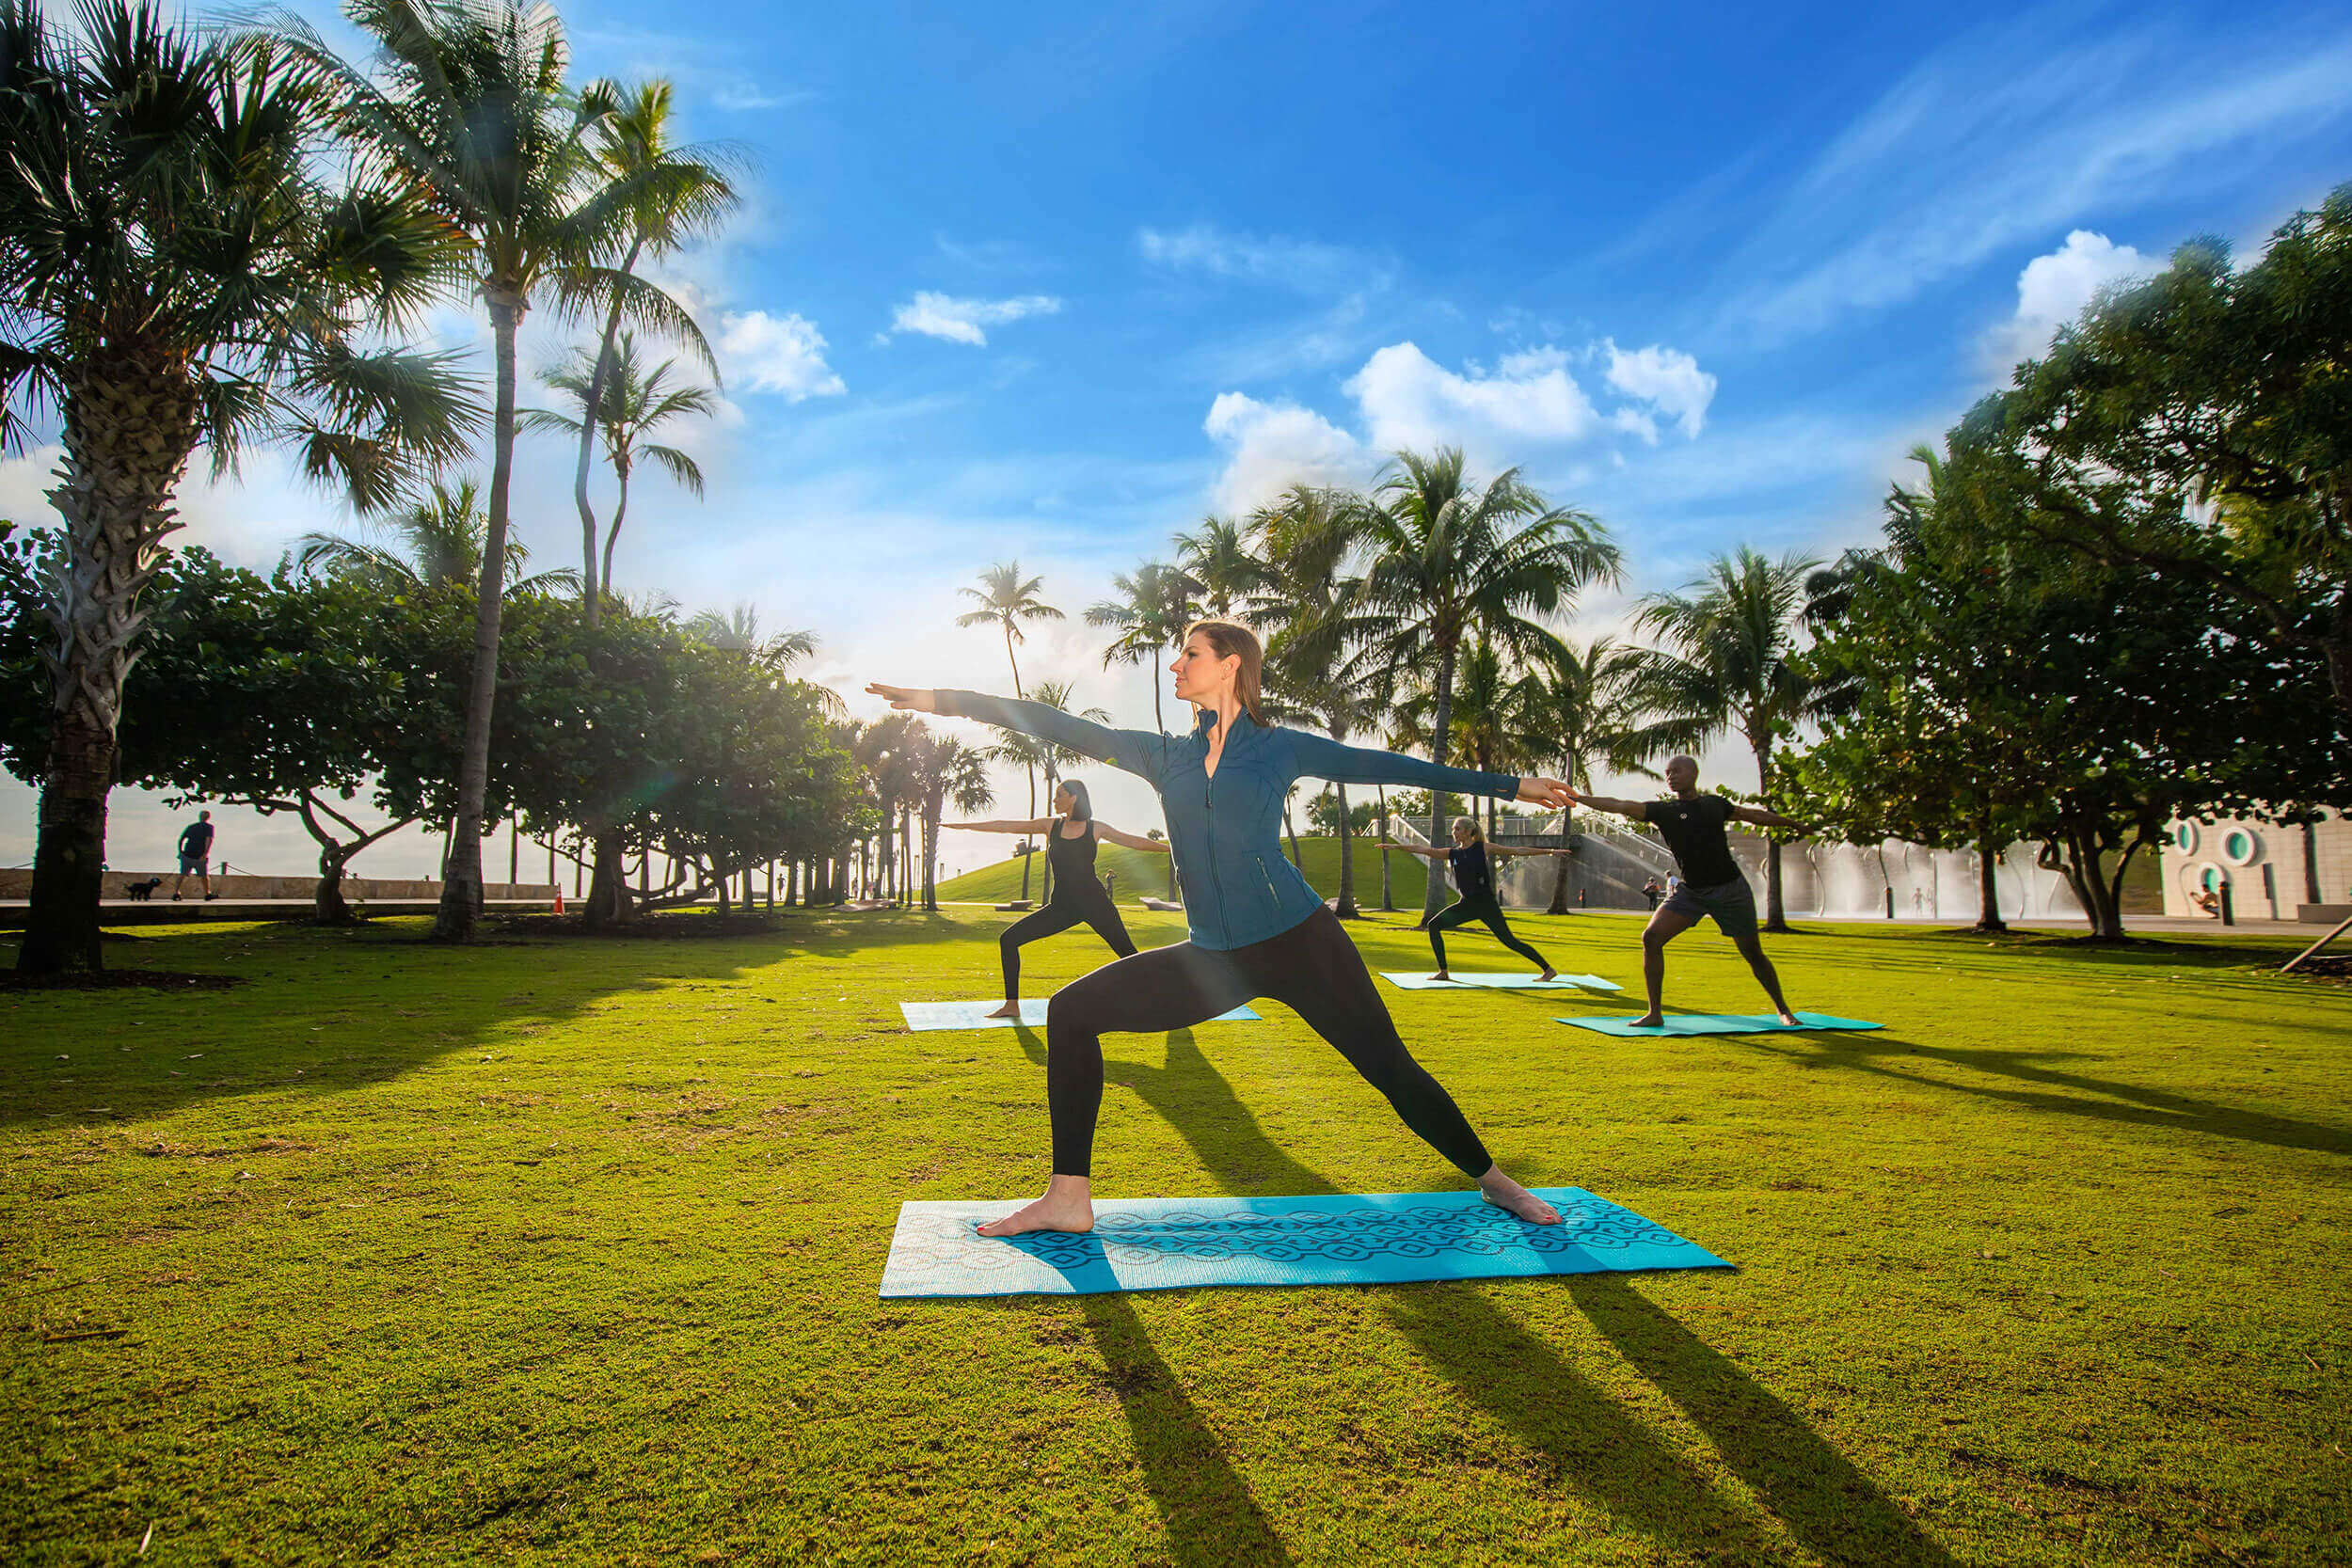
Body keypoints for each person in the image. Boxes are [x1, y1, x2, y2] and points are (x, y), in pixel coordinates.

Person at [869, 619, 1576, 1236]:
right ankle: (1068, 1196)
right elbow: (1049, 720)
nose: (1177, 665)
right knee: (1072, 1010)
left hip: (1300, 941)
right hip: (1215, 956)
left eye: (1190, 654)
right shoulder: (1163, 755)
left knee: (1389, 1069)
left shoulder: (1279, 749)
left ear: (1231, 665)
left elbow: (1386, 765)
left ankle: (1494, 1180)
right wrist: (937, 701)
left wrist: (1513, 787)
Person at [1567, 757, 1813, 1027]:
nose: (1671, 776)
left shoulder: (1714, 804)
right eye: (1667, 773)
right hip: (1692, 892)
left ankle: (1783, 1010)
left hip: (1730, 889)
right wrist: (1578, 798)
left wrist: (1791, 823)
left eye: (1677, 771)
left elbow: (1753, 815)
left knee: (1752, 952)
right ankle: (1655, 1013)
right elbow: (1620, 805)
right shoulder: (1664, 810)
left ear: (1694, 774)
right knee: (1651, 937)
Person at [946, 779, 1168, 1018]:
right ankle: (1011, 1005)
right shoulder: (1050, 826)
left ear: (1073, 798)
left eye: (1059, 795)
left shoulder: (1096, 828)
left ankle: (1165, 1000)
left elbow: (1135, 842)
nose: (1054, 800)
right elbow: (1006, 826)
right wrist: (966, 826)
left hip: (1095, 904)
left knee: (1129, 955)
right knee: (1009, 940)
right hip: (1063, 907)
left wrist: (1172, 849)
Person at [1383, 819, 1569, 982]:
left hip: (1486, 905)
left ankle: (1548, 969)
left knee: (1509, 941)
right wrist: (1396, 847)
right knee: (1434, 925)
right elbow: (1424, 850)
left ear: (1467, 832)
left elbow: (1518, 850)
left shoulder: (1483, 848)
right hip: (1466, 905)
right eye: (1453, 829)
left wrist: (1550, 851)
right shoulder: (1452, 853)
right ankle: (1443, 971)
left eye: (1457, 829)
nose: (1453, 833)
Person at [171, 811, 217, 902]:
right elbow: (208, 840)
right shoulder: (209, 827)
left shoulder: (191, 827)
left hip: (187, 854)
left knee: (182, 874)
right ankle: (207, 894)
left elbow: (181, 840)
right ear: (208, 817)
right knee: (204, 876)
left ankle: (176, 892)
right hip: (199, 856)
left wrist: (180, 852)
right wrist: (205, 854)